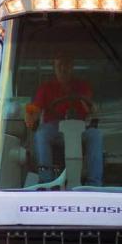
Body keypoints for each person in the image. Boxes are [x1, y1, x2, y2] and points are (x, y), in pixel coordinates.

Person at [24, 52, 103, 186]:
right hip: (55, 130)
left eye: (66, 65)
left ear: (72, 67)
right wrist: (30, 115)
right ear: (54, 68)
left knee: (96, 135)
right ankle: (46, 181)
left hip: (80, 128)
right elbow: (35, 109)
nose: (63, 69)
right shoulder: (46, 88)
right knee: (41, 134)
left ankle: (94, 183)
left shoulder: (82, 86)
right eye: (59, 65)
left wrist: (89, 106)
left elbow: (91, 108)